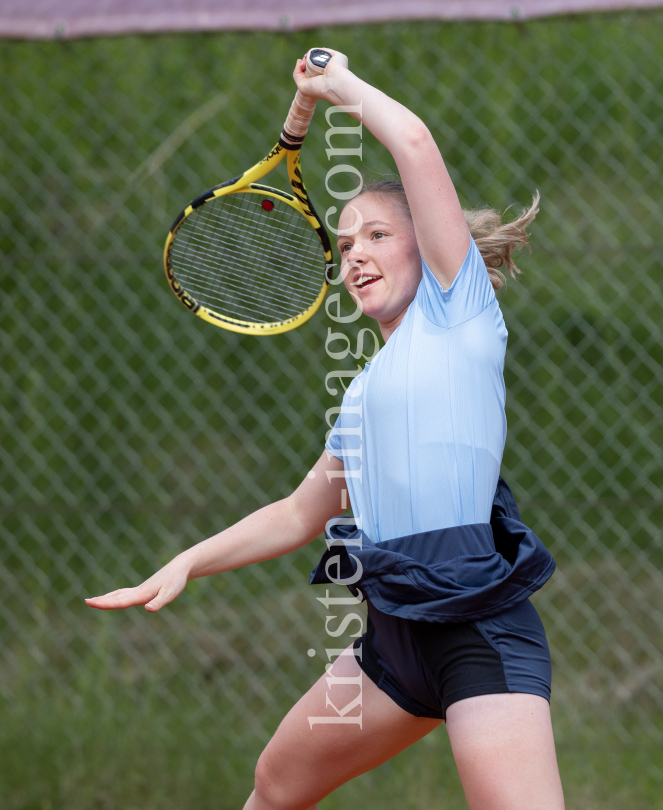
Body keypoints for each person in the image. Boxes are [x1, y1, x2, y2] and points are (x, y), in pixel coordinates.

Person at [86, 48, 565, 810]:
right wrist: (183, 563)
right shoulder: (362, 393)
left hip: (476, 624)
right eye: (344, 245)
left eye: (376, 235)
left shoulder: (461, 314)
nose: (355, 257)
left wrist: (338, 87)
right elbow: (302, 513)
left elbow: (411, 144)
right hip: (392, 637)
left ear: (432, 245)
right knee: (275, 786)